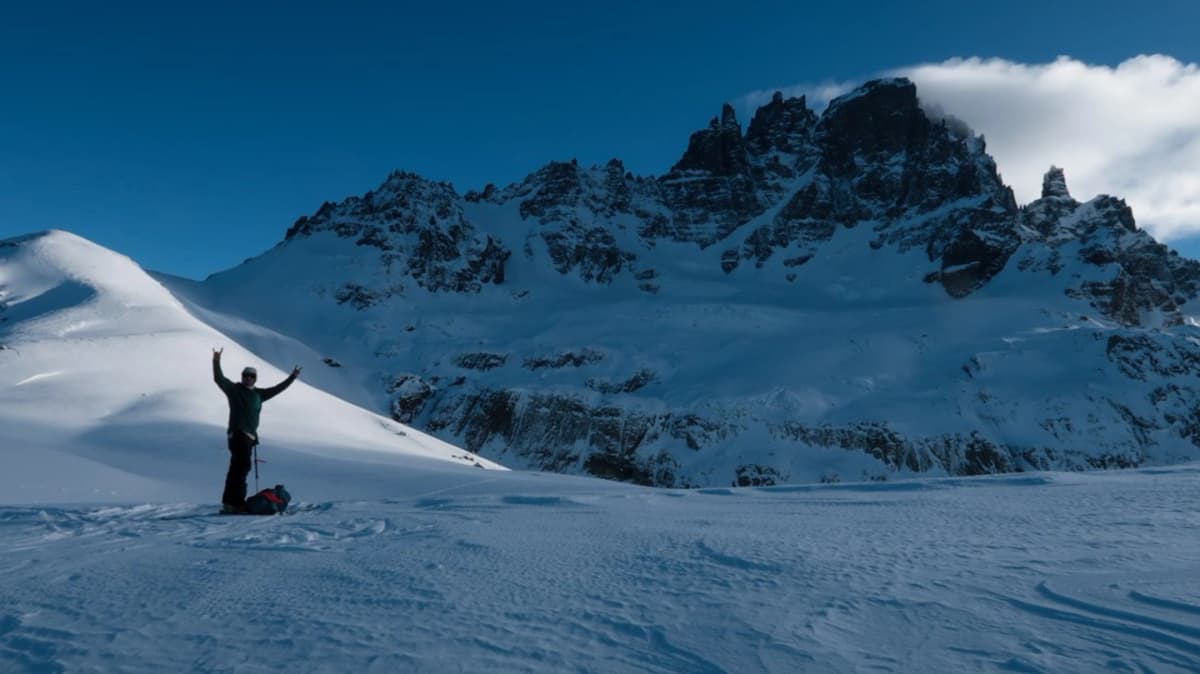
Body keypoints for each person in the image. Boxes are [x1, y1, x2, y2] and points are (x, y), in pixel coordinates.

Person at [212, 348, 302, 513]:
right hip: (239, 433)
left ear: (255, 379)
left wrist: (292, 377)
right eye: (246, 375)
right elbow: (219, 379)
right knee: (242, 467)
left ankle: (229, 503)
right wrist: (216, 361)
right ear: (242, 376)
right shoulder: (234, 390)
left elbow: (278, 389)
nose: (248, 378)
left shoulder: (259, 394)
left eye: (252, 376)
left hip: (248, 437)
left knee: (237, 469)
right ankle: (237, 503)